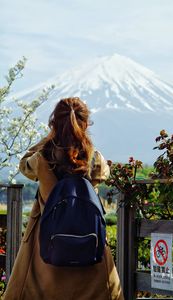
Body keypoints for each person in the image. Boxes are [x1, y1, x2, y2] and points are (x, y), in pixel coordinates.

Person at [3, 97, 124, 300]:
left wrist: (50, 138)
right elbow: (105, 172)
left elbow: (24, 164)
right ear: (85, 123)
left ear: (54, 123)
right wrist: (82, 139)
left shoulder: (43, 157)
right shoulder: (93, 157)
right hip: (88, 246)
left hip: (46, 249)